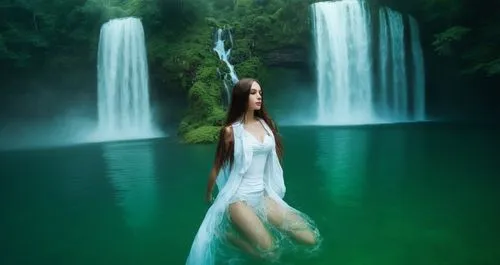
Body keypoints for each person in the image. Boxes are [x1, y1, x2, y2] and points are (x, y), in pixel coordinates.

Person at [186, 78, 322, 265]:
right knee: (272, 253)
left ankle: (239, 232)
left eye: (260, 93)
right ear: (242, 97)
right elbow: (217, 166)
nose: (259, 96)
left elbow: (271, 159)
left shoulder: (267, 125)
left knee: (310, 239)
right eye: (253, 93)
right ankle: (230, 238)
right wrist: (209, 195)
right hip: (238, 200)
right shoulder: (230, 131)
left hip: (263, 195)